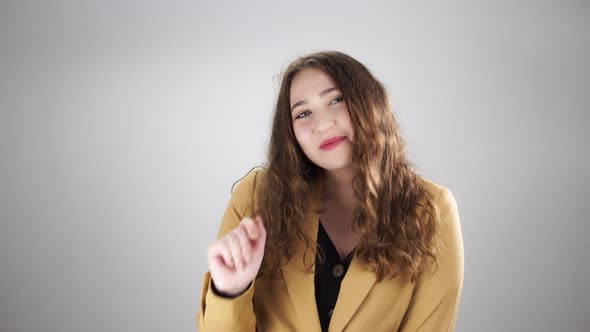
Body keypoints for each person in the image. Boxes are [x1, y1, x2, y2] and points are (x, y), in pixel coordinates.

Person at [196, 51, 464, 331]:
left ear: (370, 102)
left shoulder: (432, 209)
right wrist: (229, 290)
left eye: (336, 100)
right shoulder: (256, 197)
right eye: (303, 114)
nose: (322, 124)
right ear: (291, 133)